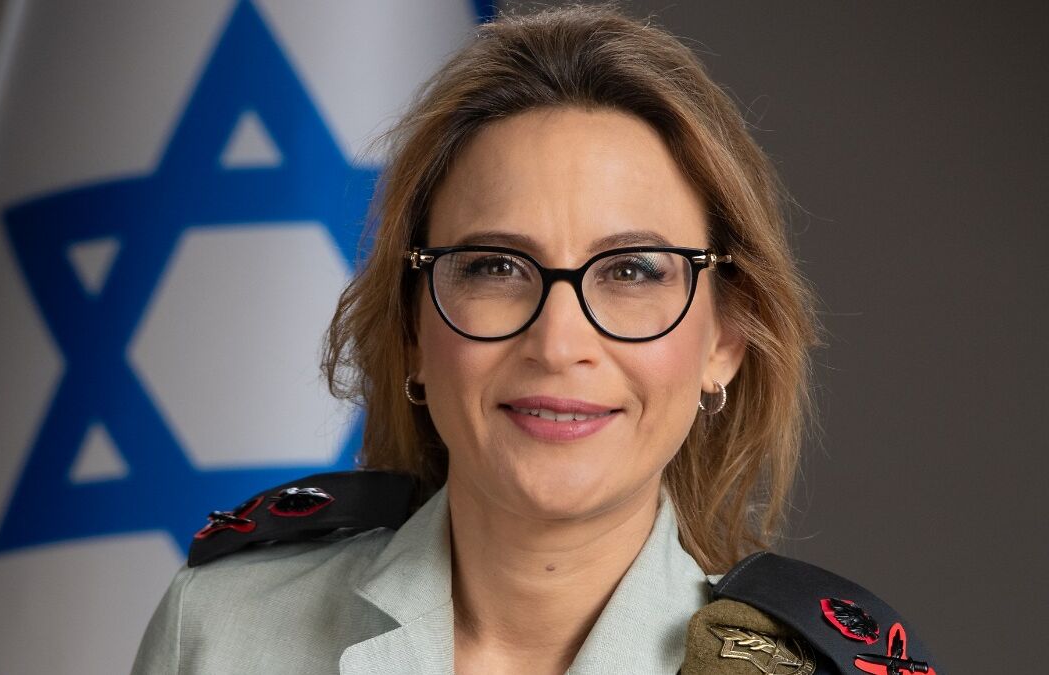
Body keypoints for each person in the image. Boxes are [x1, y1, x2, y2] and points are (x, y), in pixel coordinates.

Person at [134, 7, 937, 674]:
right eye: (494, 265)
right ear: (414, 325)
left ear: (725, 339)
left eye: (632, 270)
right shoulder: (220, 633)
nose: (559, 343)